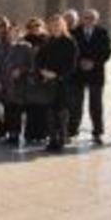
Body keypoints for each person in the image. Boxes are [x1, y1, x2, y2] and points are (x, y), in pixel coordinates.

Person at [36, 14, 78, 152]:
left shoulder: (69, 42)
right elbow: (39, 59)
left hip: (63, 82)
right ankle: (52, 138)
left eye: (57, 24)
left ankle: (61, 138)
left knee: (61, 112)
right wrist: (42, 72)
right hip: (48, 82)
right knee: (49, 112)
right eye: (52, 25)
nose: (55, 27)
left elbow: (71, 64)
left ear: (63, 25)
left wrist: (57, 75)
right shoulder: (47, 41)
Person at [70, 9, 111, 144]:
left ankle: (97, 132)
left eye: (91, 18)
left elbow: (107, 52)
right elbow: (71, 51)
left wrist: (93, 62)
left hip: (96, 73)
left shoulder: (103, 32)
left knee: (96, 105)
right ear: (82, 19)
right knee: (76, 104)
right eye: (86, 17)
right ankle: (73, 130)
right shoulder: (74, 32)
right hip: (78, 73)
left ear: (96, 20)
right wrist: (80, 61)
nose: (88, 20)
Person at [0, 23, 34, 145]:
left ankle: (16, 134)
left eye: (15, 32)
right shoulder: (2, 46)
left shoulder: (26, 47)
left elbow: (31, 65)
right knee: (7, 110)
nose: (12, 34)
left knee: (17, 111)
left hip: (19, 84)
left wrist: (21, 70)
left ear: (20, 33)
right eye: (10, 32)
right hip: (5, 83)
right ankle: (10, 133)